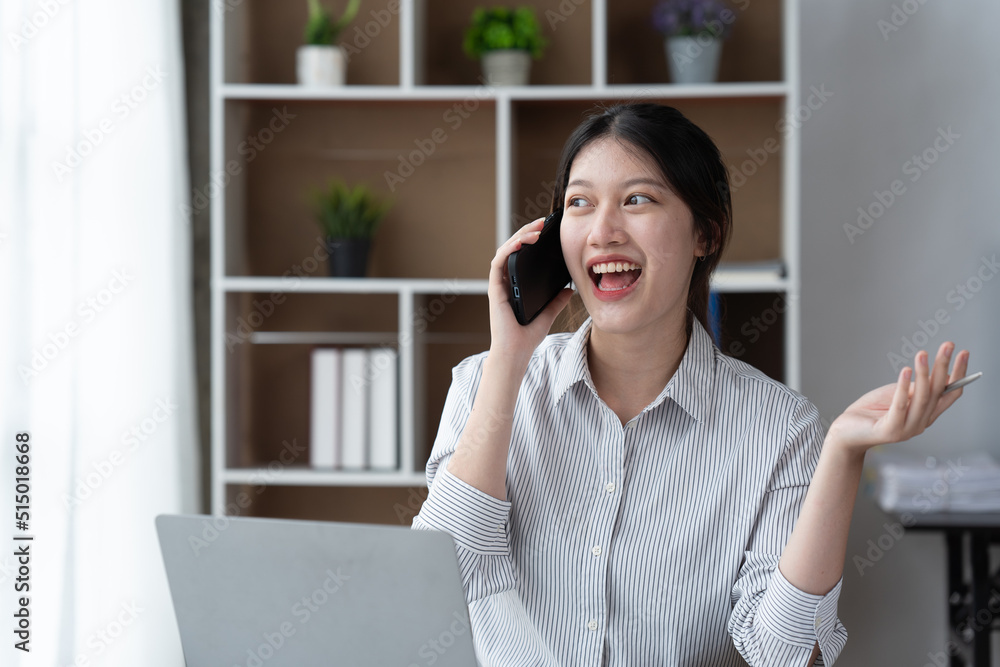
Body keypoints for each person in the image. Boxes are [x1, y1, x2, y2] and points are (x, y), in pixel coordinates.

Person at [412, 102, 970, 666]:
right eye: (579, 203)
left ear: (706, 231)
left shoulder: (780, 429)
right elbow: (438, 588)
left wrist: (843, 453)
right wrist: (509, 358)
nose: (603, 231)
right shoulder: (485, 384)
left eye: (637, 200)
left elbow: (782, 656)